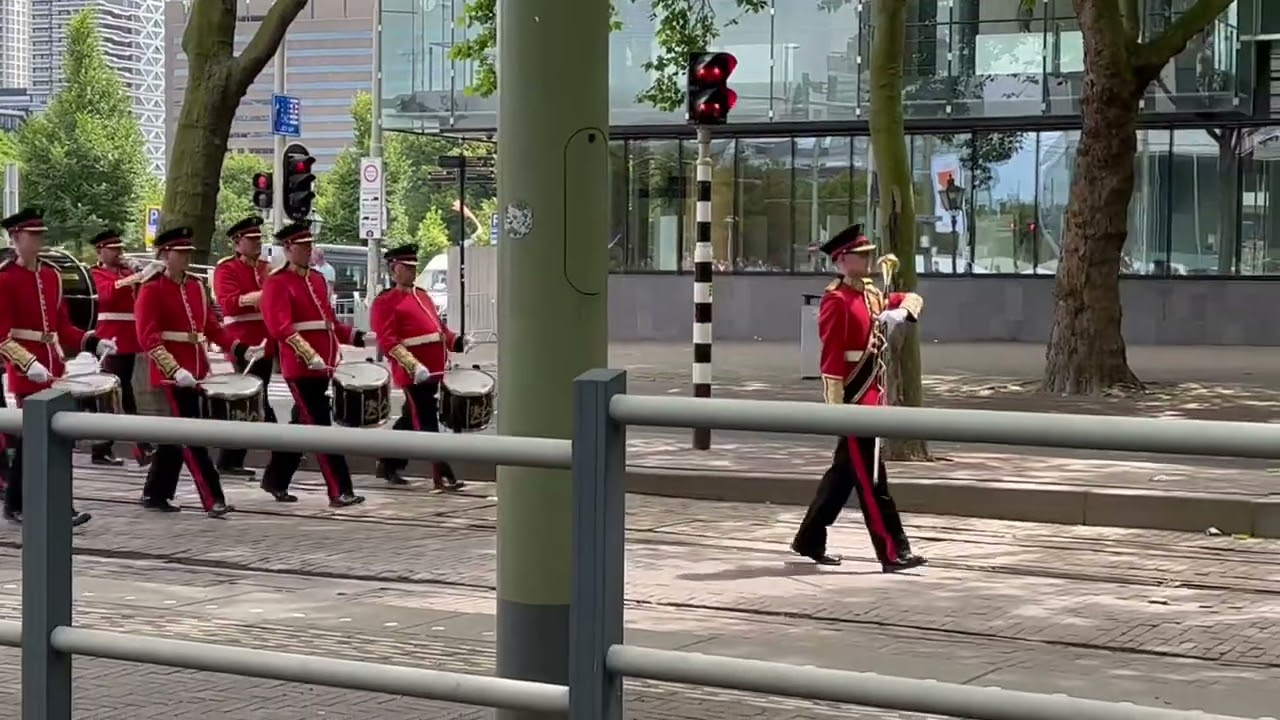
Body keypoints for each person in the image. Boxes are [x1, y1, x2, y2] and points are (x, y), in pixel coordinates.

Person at [791, 224, 927, 572]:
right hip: (854, 399)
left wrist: (901, 311)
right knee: (872, 480)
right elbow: (832, 359)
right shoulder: (835, 300)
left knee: (843, 476)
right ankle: (892, 551)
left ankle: (809, 539)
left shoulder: (869, 292)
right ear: (841, 259)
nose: (868, 260)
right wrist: (837, 410)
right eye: (861, 255)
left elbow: (903, 300)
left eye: (869, 254)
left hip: (872, 395)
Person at [134, 226, 260, 517]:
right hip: (172, 373)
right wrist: (174, 369)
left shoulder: (194, 286)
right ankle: (212, 498)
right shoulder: (152, 288)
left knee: (175, 436)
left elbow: (210, 327)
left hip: (196, 368)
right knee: (193, 437)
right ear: (165, 254)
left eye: (188, 252)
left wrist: (241, 348)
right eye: (181, 253)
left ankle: (156, 492)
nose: (187, 258)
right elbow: (148, 337)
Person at [0, 208, 114, 525]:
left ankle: (45, 504)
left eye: (40, 234)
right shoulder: (5, 279)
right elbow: (1, 336)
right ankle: (24, 505)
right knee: (31, 445)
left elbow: (62, 327)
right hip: (28, 373)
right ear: (15, 239)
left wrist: (93, 341)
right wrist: (27, 364)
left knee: (53, 443)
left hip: (54, 369)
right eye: (31, 235)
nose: (38, 240)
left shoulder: (50, 276)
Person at [259, 222, 368, 507]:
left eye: (310, 245)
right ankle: (339, 489)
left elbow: (327, 321)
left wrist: (357, 336)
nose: (309, 250)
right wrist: (309, 355)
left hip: (324, 366)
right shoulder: (277, 282)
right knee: (322, 428)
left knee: (301, 426)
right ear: (288, 249)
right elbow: (280, 328)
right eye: (303, 246)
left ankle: (276, 479)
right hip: (301, 368)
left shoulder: (317, 280)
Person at [370, 244, 471, 490]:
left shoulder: (422, 295)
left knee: (409, 420)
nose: (413, 272)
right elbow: (388, 341)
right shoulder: (386, 301)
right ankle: (441, 474)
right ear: (395, 270)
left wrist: (457, 341)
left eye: (414, 267)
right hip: (413, 373)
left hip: (434, 369)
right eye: (408, 268)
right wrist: (412, 366)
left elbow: (438, 330)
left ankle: (388, 463)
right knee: (426, 424)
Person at [211, 215, 277, 478]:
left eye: (258, 238)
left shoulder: (266, 267)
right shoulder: (226, 269)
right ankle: (279, 446)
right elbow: (228, 303)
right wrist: (261, 297)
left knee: (258, 395)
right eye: (251, 239)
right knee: (251, 397)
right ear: (237, 243)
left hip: (266, 339)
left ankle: (234, 457)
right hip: (243, 340)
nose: (257, 242)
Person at [88, 229, 158, 467]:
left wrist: (146, 275)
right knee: (114, 394)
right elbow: (106, 294)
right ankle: (129, 447)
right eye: (113, 249)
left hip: (128, 338)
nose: (119, 253)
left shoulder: (126, 272)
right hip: (109, 339)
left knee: (123, 392)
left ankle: (124, 446)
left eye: (119, 248)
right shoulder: (95, 273)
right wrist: (134, 278)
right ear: (100, 250)